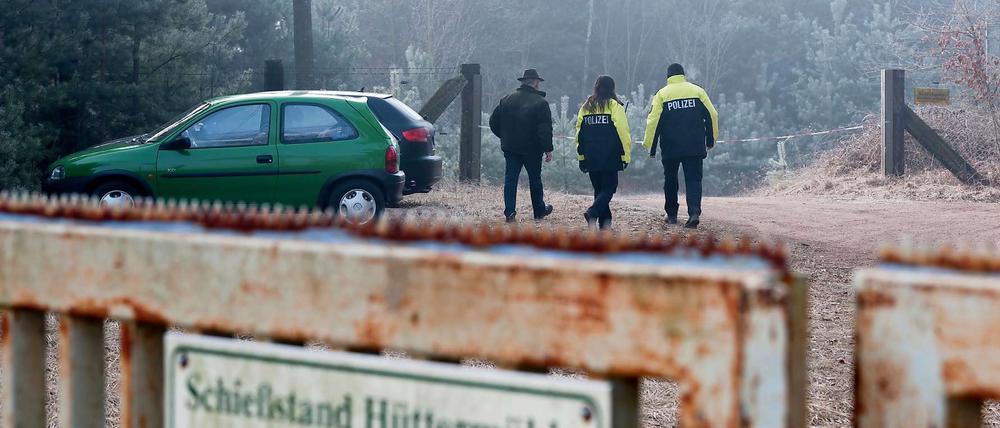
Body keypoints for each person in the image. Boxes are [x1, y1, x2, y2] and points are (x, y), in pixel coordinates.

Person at [643, 63, 719, 229]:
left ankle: (671, 215)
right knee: (693, 179)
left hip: (670, 147)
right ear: (683, 75)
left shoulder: (662, 94)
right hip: (694, 145)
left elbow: (653, 122)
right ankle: (694, 212)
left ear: (668, 77)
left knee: (670, 179)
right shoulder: (697, 91)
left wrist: (651, 146)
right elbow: (712, 114)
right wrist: (710, 139)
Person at [489, 69, 554, 223]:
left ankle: (510, 212)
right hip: (532, 149)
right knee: (535, 179)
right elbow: (544, 129)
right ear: (536, 83)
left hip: (510, 148)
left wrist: (505, 137)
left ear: (523, 82)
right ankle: (539, 211)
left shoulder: (506, 99)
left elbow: (493, 122)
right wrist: (548, 149)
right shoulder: (541, 103)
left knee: (510, 180)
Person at [575, 75, 631, 230]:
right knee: (609, 188)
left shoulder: (586, 107)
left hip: (591, 155)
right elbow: (623, 133)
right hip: (610, 155)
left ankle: (604, 224)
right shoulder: (614, 106)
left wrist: (581, 157)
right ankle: (593, 212)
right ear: (612, 88)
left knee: (599, 190)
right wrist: (625, 156)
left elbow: (579, 134)